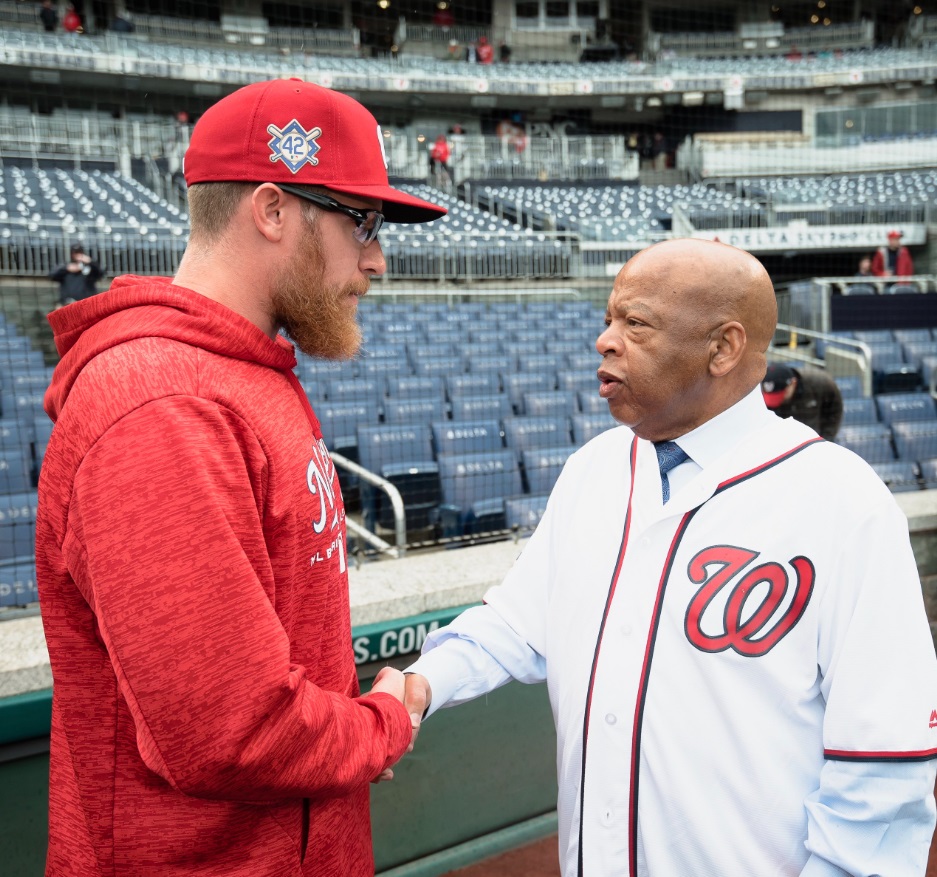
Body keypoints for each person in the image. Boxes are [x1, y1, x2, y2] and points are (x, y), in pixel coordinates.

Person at [404, 239, 937, 877]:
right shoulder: (591, 470)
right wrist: (421, 684)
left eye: (636, 323)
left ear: (724, 347)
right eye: (608, 319)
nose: (604, 340)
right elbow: (515, 626)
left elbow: (883, 765)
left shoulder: (842, 502)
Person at [36, 78, 445, 877]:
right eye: (360, 222)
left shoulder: (239, 371)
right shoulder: (163, 403)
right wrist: (381, 722)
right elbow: (231, 730)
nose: (377, 256)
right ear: (272, 210)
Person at [761, 361, 844, 440]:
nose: (779, 400)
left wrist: (826, 439)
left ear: (793, 383)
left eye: (781, 394)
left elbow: (835, 410)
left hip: (815, 441)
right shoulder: (759, 393)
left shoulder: (820, 383)